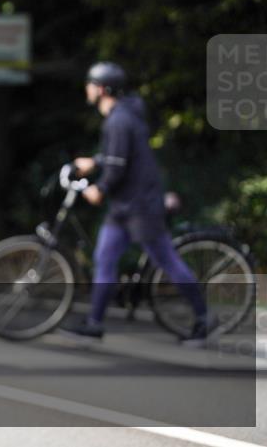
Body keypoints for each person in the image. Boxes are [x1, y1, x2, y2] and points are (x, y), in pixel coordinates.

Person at [61, 62, 212, 344]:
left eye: (91, 84)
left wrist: (100, 189)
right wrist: (94, 162)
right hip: (123, 207)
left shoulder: (119, 120)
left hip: (141, 206)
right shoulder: (122, 116)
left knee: (166, 260)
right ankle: (94, 323)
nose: (87, 89)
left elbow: (118, 166)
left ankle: (204, 317)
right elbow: (119, 157)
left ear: (102, 89)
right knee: (104, 259)